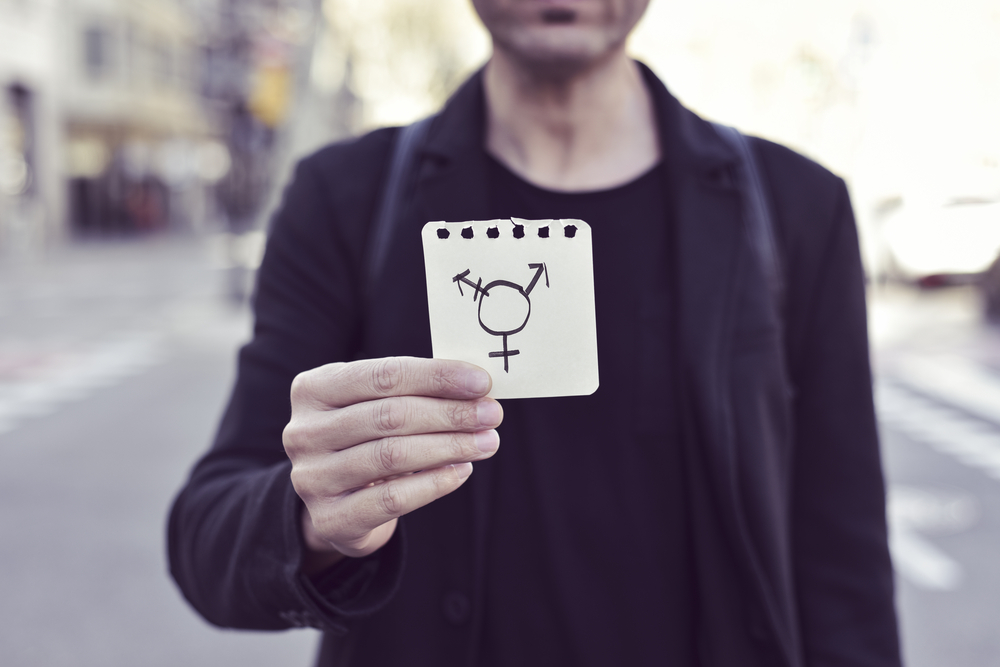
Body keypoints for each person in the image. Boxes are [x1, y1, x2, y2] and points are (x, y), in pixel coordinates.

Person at [168, 0, 903, 665]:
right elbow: (207, 540)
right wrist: (313, 518)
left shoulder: (796, 207)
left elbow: (844, 568)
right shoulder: (343, 200)